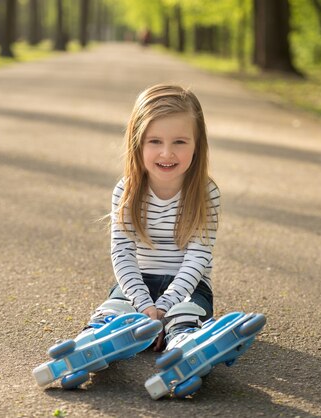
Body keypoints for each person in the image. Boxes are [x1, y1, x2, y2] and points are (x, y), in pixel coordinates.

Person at [87, 84, 220, 352]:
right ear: (138, 143)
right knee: (114, 307)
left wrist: (164, 307)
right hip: (138, 280)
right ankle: (93, 340)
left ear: (197, 145)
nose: (167, 153)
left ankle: (185, 340)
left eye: (180, 142)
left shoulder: (206, 193)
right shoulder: (127, 191)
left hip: (191, 286)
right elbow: (122, 254)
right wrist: (144, 304)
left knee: (185, 312)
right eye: (155, 141)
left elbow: (197, 259)